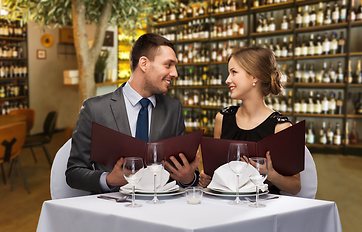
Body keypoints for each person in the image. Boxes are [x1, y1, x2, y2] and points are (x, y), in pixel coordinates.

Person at [66, 33, 199, 194]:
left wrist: (188, 179)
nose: (175, 73)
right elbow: (73, 173)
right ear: (144, 63)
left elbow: (184, 171)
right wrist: (109, 180)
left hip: (159, 209)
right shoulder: (95, 109)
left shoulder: (173, 109)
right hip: (112, 211)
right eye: (168, 65)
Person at [199, 46, 301, 195]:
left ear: (254, 76)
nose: (228, 80)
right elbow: (217, 173)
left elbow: (295, 186)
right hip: (226, 206)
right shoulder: (222, 118)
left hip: (263, 210)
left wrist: (271, 175)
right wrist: (208, 179)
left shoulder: (280, 127)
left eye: (234, 72)